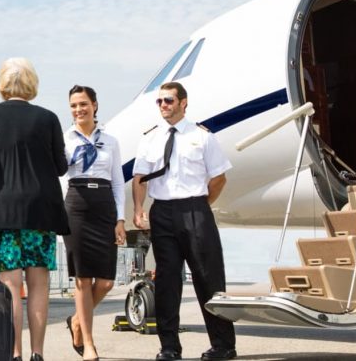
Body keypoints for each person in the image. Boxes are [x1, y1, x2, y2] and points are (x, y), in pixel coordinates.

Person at [0, 57, 69, 361]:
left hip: (3, 213)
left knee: (10, 285)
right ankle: (37, 354)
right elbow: (61, 167)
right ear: (32, 83)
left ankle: (15, 354)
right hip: (41, 213)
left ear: (2, 84)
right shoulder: (48, 118)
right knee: (39, 284)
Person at [132, 82, 236, 361]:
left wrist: (200, 206)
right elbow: (140, 178)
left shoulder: (203, 137)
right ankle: (169, 348)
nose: (163, 105)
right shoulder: (150, 139)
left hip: (195, 210)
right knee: (167, 280)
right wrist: (139, 207)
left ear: (183, 103)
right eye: (160, 102)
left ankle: (223, 345)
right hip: (162, 212)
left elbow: (219, 178)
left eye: (168, 100)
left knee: (208, 278)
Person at [62, 85, 126, 361]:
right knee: (83, 279)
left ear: (95, 105)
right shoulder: (64, 139)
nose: (79, 110)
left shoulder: (111, 141)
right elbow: (61, 176)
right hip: (76, 204)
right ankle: (88, 343)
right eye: (74, 105)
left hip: (104, 206)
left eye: (84, 104)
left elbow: (118, 182)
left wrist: (120, 218)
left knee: (106, 282)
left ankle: (77, 319)